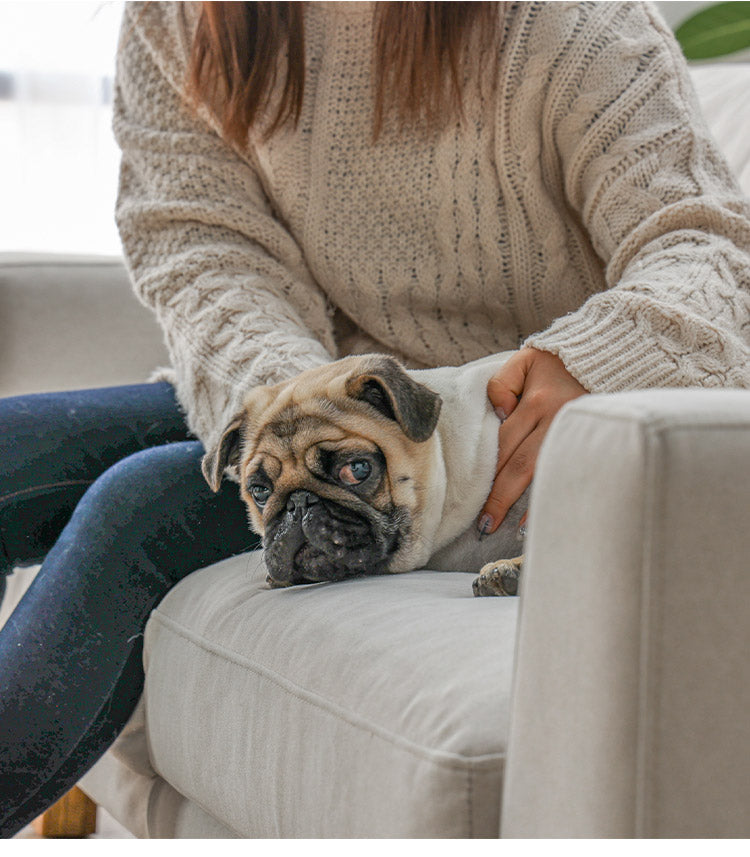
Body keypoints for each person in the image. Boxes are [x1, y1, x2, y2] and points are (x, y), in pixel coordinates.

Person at [1, 0, 749, 837]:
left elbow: (706, 242)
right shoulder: (180, 19)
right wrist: (306, 412)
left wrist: (594, 359)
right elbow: (200, 244)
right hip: (329, 397)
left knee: (134, 510)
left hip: (504, 429)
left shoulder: (570, 20)